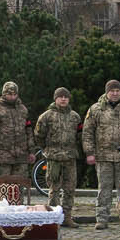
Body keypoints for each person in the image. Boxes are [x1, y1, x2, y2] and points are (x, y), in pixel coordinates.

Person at [82, 79, 120, 230]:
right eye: (112, 91)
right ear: (106, 92)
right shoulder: (96, 109)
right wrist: (89, 152)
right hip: (103, 156)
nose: (115, 93)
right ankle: (102, 218)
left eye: (117, 90)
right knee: (104, 189)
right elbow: (87, 132)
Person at [33, 87, 84, 225]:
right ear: (55, 99)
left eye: (66, 97)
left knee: (70, 189)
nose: (63, 99)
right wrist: (46, 149)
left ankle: (67, 217)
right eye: (60, 97)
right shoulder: (46, 116)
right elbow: (38, 135)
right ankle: (53, 218)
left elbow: (80, 136)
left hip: (70, 157)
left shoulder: (75, 117)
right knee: (54, 189)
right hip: (54, 158)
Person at [0, 81, 34, 180]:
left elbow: (28, 131)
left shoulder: (23, 109)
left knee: (19, 188)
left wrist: (31, 151)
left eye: (15, 94)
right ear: (3, 94)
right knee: (3, 188)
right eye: (9, 94)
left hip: (21, 156)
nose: (12, 97)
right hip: (3, 157)